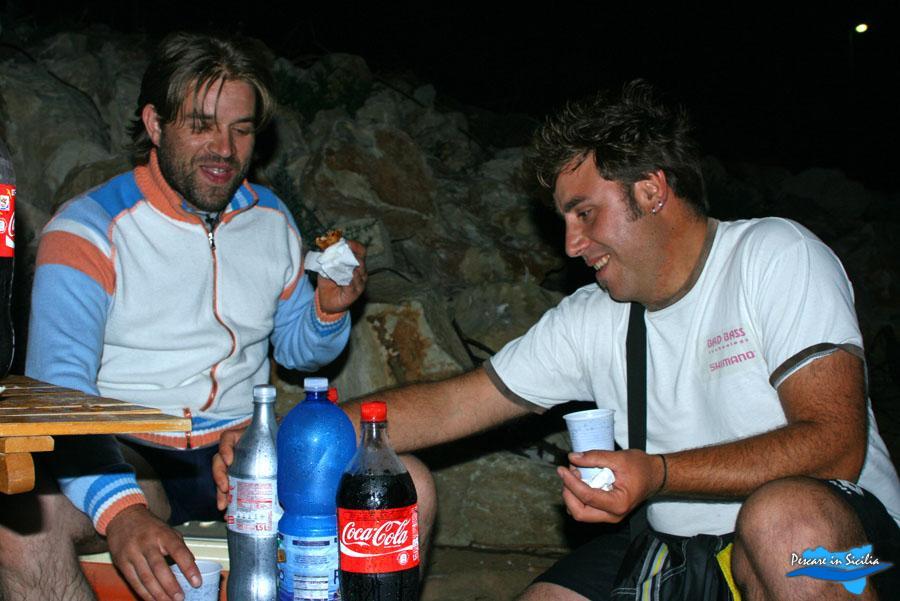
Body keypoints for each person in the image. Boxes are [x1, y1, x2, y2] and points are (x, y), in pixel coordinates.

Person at [214, 80, 900, 600]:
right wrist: (284, 441)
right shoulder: (595, 315)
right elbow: (456, 404)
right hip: (676, 549)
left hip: (847, 548)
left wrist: (657, 473)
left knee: (783, 521)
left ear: (651, 190)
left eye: (585, 213)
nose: (571, 245)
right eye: (564, 221)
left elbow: (835, 442)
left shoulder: (774, 255)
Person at [0, 32, 368, 601]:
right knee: (13, 528)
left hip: (246, 447)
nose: (225, 149)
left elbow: (301, 351)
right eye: (201, 125)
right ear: (154, 124)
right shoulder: (86, 230)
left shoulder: (271, 218)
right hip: (132, 449)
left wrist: (326, 310)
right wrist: (121, 510)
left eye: (241, 129)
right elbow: (60, 390)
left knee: (407, 485)